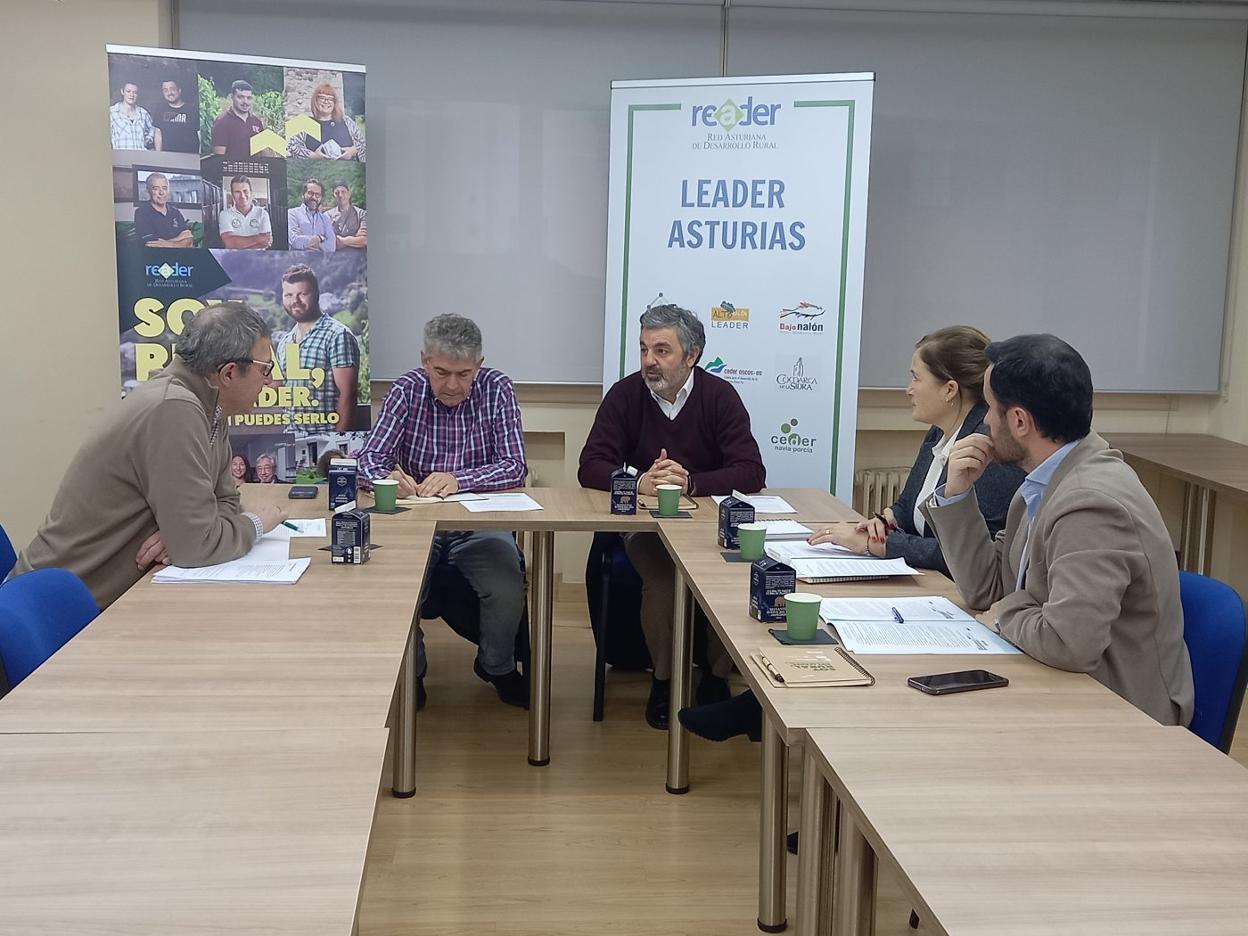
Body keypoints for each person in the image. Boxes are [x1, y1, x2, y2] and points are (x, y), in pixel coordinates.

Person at [678, 326, 1026, 743]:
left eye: (916, 377)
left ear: (950, 389)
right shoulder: (941, 431)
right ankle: (764, 705)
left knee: (842, 626)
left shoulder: (983, 452)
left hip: (956, 599)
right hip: (918, 581)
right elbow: (906, 505)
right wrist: (882, 520)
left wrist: (876, 543)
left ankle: (761, 712)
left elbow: (962, 554)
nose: (908, 389)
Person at [921, 334, 1194, 726]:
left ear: (1019, 421)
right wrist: (957, 496)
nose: (984, 421)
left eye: (992, 409)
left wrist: (1004, 616)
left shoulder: (1091, 503)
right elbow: (987, 590)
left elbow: (1069, 643)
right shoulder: (1042, 482)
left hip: (1122, 715)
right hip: (1061, 684)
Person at [7, 302, 287, 609]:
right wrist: (255, 523)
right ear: (229, 373)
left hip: (99, 600)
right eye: (266, 370)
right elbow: (197, 546)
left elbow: (224, 503)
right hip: (55, 612)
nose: (272, 382)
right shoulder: (173, 409)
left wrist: (188, 532)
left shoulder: (210, 407)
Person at [578, 303, 766, 730]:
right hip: (646, 529)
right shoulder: (625, 395)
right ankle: (663, 681)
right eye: (644, 349)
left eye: (662, 350)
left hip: (708, 524)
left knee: (734, 573)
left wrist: (691, 482)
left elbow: (751, 471)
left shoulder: (719, 397)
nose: (649, 361)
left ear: (692, 355)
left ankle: (715, 679)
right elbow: (590, 464)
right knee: (665, 580)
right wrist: (639, 480)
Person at [357, 314, 529, 709]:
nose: (453, 385)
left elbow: (514, 465)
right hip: (415, 521)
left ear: (479, 366)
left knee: (507, 581)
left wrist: (459, 479)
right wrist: (387, 479)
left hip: (478, 521)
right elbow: (367, 459)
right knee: (395, 581)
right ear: (424, 362)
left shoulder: (497, 388)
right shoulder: (405, 390)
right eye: (442, 372)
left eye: (464, 373)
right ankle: (412, 672)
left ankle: (496, 665)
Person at [273, 264, 359, 431]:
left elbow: (348, 395)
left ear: (317, 294)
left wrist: (339, 441)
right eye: (289, 295)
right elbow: (280, 391)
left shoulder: (338, 335)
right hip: (291, 436)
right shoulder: (285, 342)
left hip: (326, 436)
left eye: (302, 294)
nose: (295, 301)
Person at [286, 82, 365, 161]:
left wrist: (352, 151)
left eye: (330, 99)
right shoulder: (306, 123)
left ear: (334, 103)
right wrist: (313, 156)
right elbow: (291, 146)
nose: (326, 101)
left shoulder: (346, 121)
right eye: (322, 98)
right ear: (315, 101)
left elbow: (362, 143)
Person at [133, 173, 193, 248]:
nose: (161, 192)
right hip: (155, 258)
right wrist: (179, 239)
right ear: (148, 190)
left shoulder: (175, 212)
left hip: (178, 258)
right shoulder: (141, 213)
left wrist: (167, 243)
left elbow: (189, 241)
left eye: (164, 188)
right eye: (156, 188)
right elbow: (152, 244)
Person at [211, 80, 265, 159]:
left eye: (249, 98)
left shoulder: (257, 122)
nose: (245, 102)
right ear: (232, 97)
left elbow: (262, 152)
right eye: (240, 97)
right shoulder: (222, 122)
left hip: (253, 169)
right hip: (232, 169)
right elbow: (218, 159)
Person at [218, 176, 272, 250]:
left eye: (245, 191)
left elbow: (266, 242)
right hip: (233, 259)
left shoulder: (262, 213)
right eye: (237, 192)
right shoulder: (225, 214)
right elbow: (230, 243)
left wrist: (238, 243)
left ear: (251, 192)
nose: (242, 196)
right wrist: (258, 238)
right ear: (232, 195)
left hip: (258, 259)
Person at [288, 179, 337, 252]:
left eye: (317, 195)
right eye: (310, 193)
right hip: (298, 262)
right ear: (303, 195)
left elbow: (332, 247)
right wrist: (321, 238)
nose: (314, 197)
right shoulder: (292, 214)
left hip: (321, 262)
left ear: (321, 198)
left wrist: (306, 242)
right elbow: (295, 241)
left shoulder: (326, 219)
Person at [109, 80, 157, 150]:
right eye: (128, 91)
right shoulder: (112, 112)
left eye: (135, 92)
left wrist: (148, 140)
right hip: (120, 158)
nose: (131, 95)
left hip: (141, 158)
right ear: (122, 92)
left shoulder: (143, 113)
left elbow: (153, 129)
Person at [155, 78, 197, 153]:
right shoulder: (159, 109)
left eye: (172, 89)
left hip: (189, 157)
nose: (169, 92)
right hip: (168, 157)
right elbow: (158, 133)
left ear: (179, 90)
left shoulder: (192, 110)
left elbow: (199, 134)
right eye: (165, 90)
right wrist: (159, 156)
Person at [326, 182, 367, 251]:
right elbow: (327, 240)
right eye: (337, 193)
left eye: (343, 192)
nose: (340, 195)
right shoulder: (327, 215)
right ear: (333, 196)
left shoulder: (361, 214)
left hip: (358, 257)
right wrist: (354, 239)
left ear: (349, 194)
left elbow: (364, 240)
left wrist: (343, 240)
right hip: (334, 257)